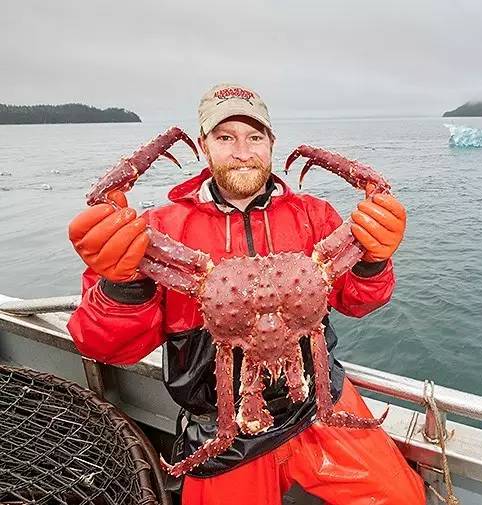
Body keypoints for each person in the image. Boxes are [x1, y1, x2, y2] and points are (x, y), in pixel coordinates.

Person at [66, 83, 425, 505]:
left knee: (404, 497)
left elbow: (360, 300)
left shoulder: (314, 216)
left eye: (255, 137)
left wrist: (373, 261)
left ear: (272, 144)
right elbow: (106, 346)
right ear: (203, 146)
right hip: (225, 425)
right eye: (225, 137)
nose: (242, 150)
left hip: (319, 399)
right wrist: (123, 285)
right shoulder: (156, 233)